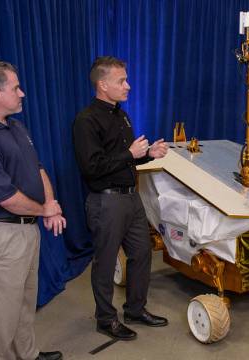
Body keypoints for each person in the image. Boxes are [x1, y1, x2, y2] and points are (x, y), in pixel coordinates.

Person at [0, 59, 66, 360]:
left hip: (25, 230)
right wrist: (46, 211)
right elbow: (4, 196)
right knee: (2, 315)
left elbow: (38, 168)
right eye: (16, 87)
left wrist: (50, 206)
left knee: (23, 303)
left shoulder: (15, 126)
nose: (22, 93)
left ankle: (27, 354)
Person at [73, 56, 169, 341]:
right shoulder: (86, 121)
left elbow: (126, 161)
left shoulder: (122, 115)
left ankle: (135, 310)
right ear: (102, 85)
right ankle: (105, 319)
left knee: (141, 253)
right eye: (121, 81)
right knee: (104, 262)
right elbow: (91, 167)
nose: (128, 86)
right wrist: (131, 154)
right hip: (106, 202)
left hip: (131, 198)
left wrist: (147, 154)